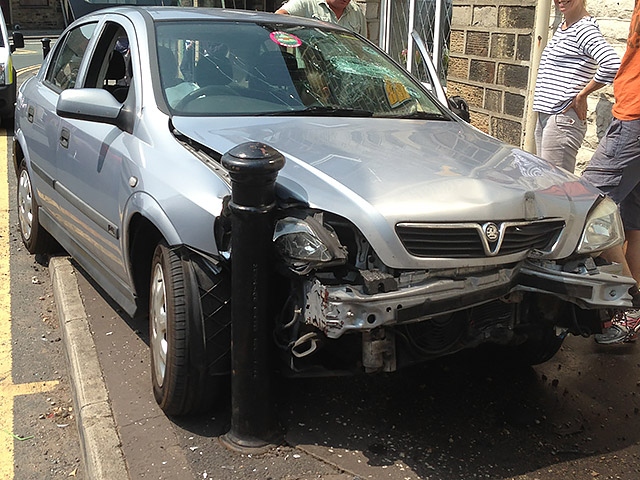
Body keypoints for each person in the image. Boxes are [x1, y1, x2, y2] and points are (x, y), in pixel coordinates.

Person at [582, 0, 640, 344]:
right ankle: (636, 306)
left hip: (634, 115)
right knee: (632, 218)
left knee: (588, 202)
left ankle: (627, 306)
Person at [532, 0, 620, 174]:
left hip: (562, 118)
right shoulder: (565, 26)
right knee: (546, 184)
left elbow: (612, 64)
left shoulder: (584, 29)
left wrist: (583, 95)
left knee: (556, 187)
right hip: (548, 115)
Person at [276, 0, 367, 37]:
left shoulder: (356, 11)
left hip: (348, 72)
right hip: (313, 71)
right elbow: (278, 18)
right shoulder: (307, 3)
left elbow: (363, 45)